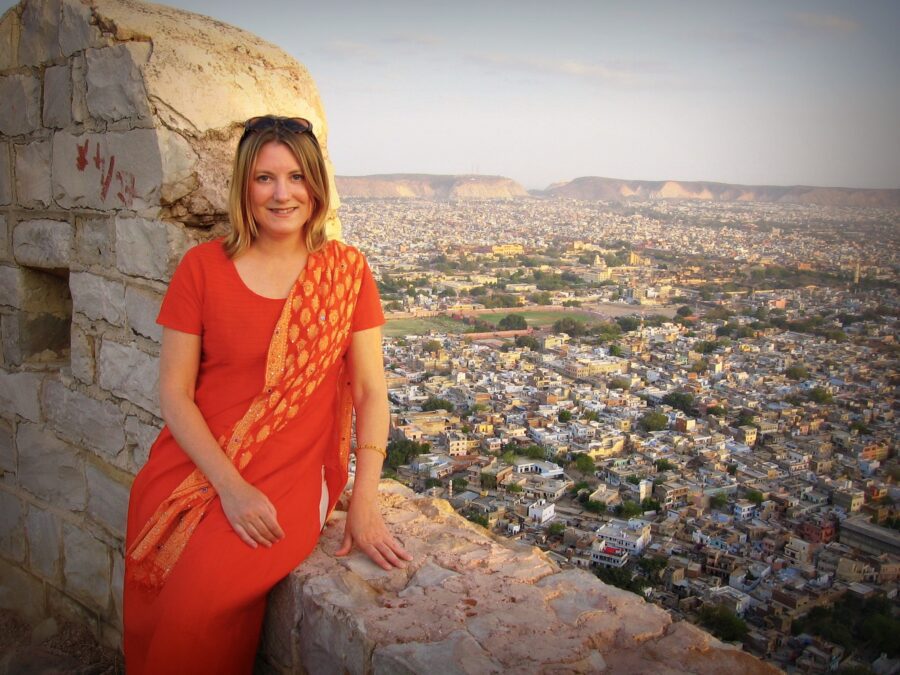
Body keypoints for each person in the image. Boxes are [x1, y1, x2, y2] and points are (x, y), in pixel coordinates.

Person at [123, 115, 412, 674]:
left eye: (297, 177)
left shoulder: (345, 273)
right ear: (243, 187)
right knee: (155, 602)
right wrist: (229, 487)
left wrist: (366, 504)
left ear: (317, 187)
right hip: (195, 466)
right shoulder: (202, 268)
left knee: (196, 604)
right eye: (265, 178)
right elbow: (176, 394)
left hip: (292, 473)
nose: (283, 194)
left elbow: (373, 392)